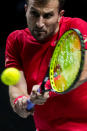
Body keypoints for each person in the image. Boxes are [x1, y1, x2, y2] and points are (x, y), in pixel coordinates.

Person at [5, 0, 87, 130]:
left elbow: (83, 69)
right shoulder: (16, 41)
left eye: (47, 16)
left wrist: (47, 88)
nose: (39, 23)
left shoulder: (76, 27)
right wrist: (21, 102)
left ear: (60, 15)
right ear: (26, 10)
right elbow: (17, 90)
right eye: (34, 14)